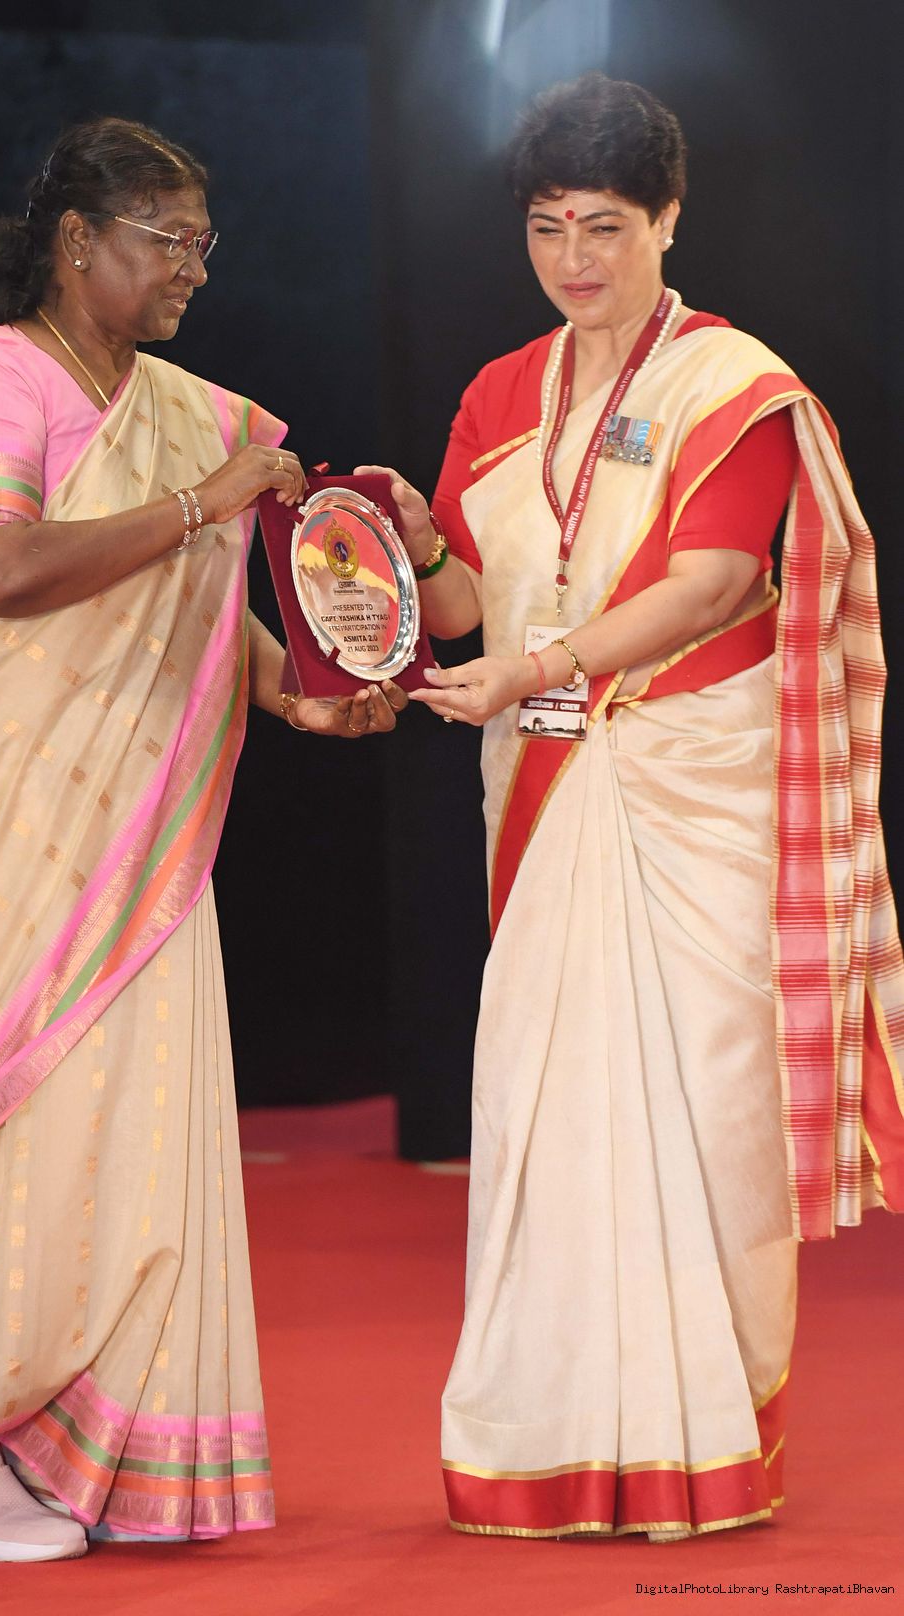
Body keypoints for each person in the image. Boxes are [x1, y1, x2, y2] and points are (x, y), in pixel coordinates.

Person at [360, 72, 904, 1540]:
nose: (573, 257)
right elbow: (465, 606)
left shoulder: (730, 385)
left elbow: (712, 585)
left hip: (690, 786)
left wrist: (539, 666)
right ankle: (543, 1441)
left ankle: (705, 1449)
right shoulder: (497, 394)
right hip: (544, 788)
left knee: (705, 1112)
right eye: (546, 226)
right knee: (544, 1116)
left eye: (604, 224)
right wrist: (414, 550)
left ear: (667, 219)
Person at [0, 115, 403, 1564]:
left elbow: (201, 614)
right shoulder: (0, 373)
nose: (192, 270)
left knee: (132, 1126)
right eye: (165, 241)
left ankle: (96, 1461)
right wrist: (193, 507)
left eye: (202, 245)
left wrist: (300, 694)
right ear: (75, 241)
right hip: (2, 815)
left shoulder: (190, 411)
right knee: (10, 1123)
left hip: (136, 839)